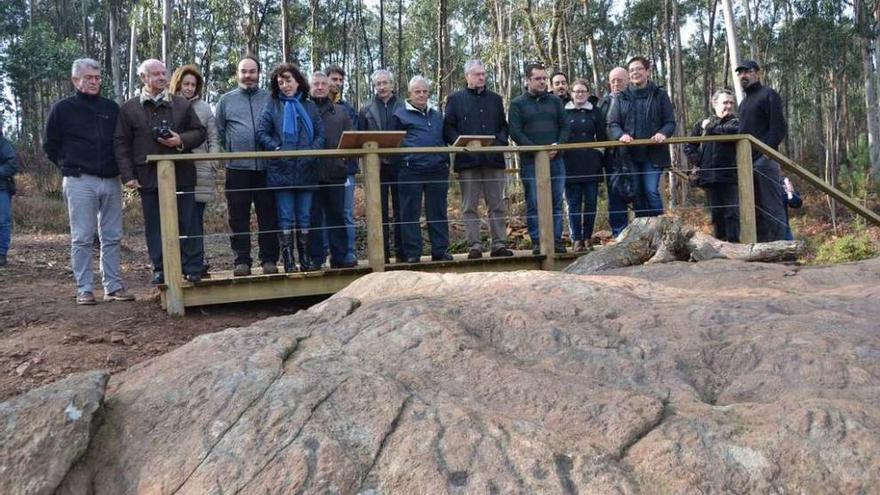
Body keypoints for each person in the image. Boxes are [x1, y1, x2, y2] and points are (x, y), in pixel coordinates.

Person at [43, 58, 133, 304]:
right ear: (75, 80)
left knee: (112, 235)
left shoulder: (111, 108)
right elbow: (50, 144)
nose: (94, 82)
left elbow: (121, 141)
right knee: (82, 236)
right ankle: (84, 288)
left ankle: (113, 287)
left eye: (97, 78)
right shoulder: (62, 109)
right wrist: (67, 165)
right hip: (79, 180)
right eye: (88, 78)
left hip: (111, 180)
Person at [114, 59, 206, 285]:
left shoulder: (181, 104)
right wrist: (128, 175)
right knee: (155, 226)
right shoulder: (129, 108)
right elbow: (121, 143)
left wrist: (180, 140)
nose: (162, 77)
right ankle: (161, 268)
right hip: (148, 178)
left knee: (189, 222)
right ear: (144, 78)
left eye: (164, 73)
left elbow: (199, 132)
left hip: (182, 175)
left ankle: (192, 267)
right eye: (155, 74)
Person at [256, 63, 325, 272]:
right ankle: (288, 260)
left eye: (288, 81)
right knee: (285, 215)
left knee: (304, 216)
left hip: (307, 168)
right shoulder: (272, 105)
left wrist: (311, 152)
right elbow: (261, 133)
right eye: (280, 82)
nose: (285, 85)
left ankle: (304, 258)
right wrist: (276, 148)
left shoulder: (310, 106)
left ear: (298, 81)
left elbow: (321, 135)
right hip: (281, 170)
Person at [442, 59, 513, 259]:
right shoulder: (455, 100)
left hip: (493, 160)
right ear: (467, 77)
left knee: (497, 204)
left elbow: (503, 126)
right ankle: (474, 246)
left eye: (483, 74)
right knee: (469, 206)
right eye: (477, 74)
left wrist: (498, 143)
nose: (481, 77)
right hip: (468, 161)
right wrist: (461, 143)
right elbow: (448, 128)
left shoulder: (495, 99)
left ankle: (499, 244)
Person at [216, 56, 279, 276]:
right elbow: (220, 132)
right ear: (237, 74)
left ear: (259, 73)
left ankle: (269, 259)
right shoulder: (226, 100)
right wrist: (232, 153)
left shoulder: (271, 98)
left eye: (252, 71)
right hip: (238, 169)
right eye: (244, 71)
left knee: (269, 215)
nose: (248, 76)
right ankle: (241, 261)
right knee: (238, 217)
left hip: (266, 168)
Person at [509, 62, 570, 254]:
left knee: (556, 202)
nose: (543, 82)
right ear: (528, 80)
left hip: (556, 159)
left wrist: (556, 145)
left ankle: (557, 240)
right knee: (534, 202)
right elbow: (515, 131)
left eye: (544, 78)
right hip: (530, 161)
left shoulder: (555, 102)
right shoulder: (517, 104)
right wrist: (536, 150)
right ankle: (538, 241)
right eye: (538, 78)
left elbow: (565, 126)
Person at [607, 56, 676, 219]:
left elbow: (670, 122)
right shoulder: (621, 97)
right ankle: (642, 232)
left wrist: (662, 133)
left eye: (638, 69)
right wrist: (621, 135)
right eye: (631, 70)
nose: (635, 72)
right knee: (636, 192)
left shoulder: (660, 95)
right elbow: (612, 123)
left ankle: (661, 229)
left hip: (654, 153)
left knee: (651, 190)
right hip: (629, 155)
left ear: (647, 71)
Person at [392, 76, 450, 263]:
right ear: (410, 93)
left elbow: (444, 137)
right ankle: (412, 253)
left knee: (438, 211)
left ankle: (440, 251)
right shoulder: (399, 114)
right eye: (418, 91)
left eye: (425, 91)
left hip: (437, 169)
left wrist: (444, 159)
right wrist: (405, 160)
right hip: (411, 169)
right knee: (410, 212)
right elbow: (394, 144)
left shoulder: (436, 114)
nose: (422, 95)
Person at [169, 64, 221, 275]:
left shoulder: (205, 108)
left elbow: (214, 137)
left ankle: (196, 263)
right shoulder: (168, 104)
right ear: (178, 83)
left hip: (201, 170)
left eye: (193, 84)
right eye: (186, 83)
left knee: (195, 219)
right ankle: (178, 264)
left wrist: (213, 161)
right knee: (177, 218)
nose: (189, 88)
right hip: (174, 169)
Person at [736, 59, 789, 242]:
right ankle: (765, 250)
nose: (743, 75)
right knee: (754, 207)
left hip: (764, 161)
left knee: (772, 207)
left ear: (757, 73)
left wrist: (767, 152)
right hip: (747, 163)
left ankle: (784, 250)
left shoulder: (769, 95)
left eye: (747, 71)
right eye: (740, 72)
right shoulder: (743, 103)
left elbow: (778, 128)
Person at [307, 71, 354, 268]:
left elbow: (351, 139)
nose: (319, 87)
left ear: (329, 88)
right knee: (313, 218)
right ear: (309, 87)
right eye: (315, 84)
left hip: (335, 173)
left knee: (337, 215)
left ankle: (340, 257)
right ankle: (315, 259)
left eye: (323, 84)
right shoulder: (303, 109)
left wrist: (345, 163)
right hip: (309, 173)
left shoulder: (340, 112)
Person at [358, 69, 405, 262]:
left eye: (385, 83)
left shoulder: (404, 106)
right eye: (378, 84)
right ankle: (382, 255)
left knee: (402, 210)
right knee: (379, 211)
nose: (382, 87)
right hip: (375, 167)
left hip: (401, 164)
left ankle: (403, 253)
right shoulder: (366, 108)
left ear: (392, 85)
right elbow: (360, 138)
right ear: (374, 86)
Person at [684, 89, 741, 242]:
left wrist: (709, 128)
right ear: (714, 104)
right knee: (716, 214)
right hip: (709, 176)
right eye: (725, 102)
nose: (728, 106)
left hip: (731, 176)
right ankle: (721, 245)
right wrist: (698, 160)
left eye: (731, 103)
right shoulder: (701, 125)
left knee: (732, 213)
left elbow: (733, 131)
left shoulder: (736, 122)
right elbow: (689, 146)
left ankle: (735, 245)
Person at [564, 79, 607, 252]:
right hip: (570, 163)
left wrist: (598, 154)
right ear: (571, 93)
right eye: (576, 91)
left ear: (588, 93)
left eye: (583, 91)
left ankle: (588, 237)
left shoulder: (595, 112)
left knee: (590, 202)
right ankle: (576, 239)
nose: (580, 94)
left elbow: (602, 137)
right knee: (573, 203)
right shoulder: (564, 111)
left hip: (591, 163)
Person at [324, 64, 358, 265]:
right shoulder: (314, 104)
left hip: (346, 169)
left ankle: (349, 253)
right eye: (333, 79)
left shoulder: (348, 108)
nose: (337, 83)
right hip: (321, 170)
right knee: (324, 214)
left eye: (340, 80)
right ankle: (326, 254)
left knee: (346, 213)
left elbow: (355, 135)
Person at [598, 67, 631, 236]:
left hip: (633, 154)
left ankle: (641, 234)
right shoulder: (602, 102)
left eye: (620, 80)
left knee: (639, 192)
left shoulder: (634, 99)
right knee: (615, 194)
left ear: (628, 80)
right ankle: (619, 233)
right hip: (611, 156)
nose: (616, 84)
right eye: (613, 81)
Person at [0, 129, 18, 269]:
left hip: (2, 188)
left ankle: (1, 254)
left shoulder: (3, 144)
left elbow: (12, 164)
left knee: (2, 221)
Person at [782, 176, 803, 241]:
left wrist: (791, 192)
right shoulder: (754, 180)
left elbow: (796, 203)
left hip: (784, 231)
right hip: (760, 232)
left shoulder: (783, 182)